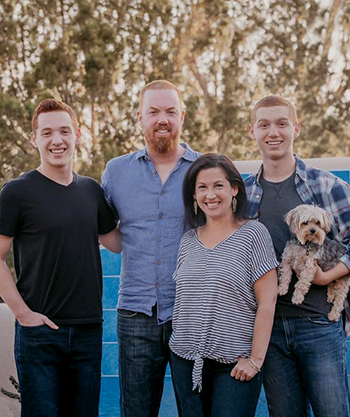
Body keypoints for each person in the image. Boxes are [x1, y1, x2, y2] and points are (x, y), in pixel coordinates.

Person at [0, 99, 120, 417]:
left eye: (64, 131)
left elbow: (118, 243)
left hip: (88, 332)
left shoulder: (91, 191)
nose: (57, 140)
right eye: (48, 132)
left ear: (77, 134)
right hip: (39, 335)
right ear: (34, 138)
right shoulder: (16, 193)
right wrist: (23, 314)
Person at [245, 95, 350, 417]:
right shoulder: (243, 194)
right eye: (264, 124)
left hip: (319, 324)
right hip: (269, 330)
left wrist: (327, 277)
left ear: (296, 128)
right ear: (252, 131)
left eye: (281, 123)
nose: (273, 132)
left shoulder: (328, 186)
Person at [101, 80, 200, 417]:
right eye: (154, 111)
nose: (162, 119)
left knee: (196, 409)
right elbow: (112, 238)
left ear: (182, 116)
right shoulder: (116, 172)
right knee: (137, 412)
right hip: (135, 314)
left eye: (170, 111)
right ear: (140, 117)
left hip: (192, 312)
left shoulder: (205, 170)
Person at [169, 153, 278, 417]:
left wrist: (255, 360)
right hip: (185, 359)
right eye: (202, 187)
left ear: (234, 189)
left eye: (218, 185)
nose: (211, 194)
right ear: (194, 196)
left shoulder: (254, 234)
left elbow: (268, 301)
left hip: (234, 364)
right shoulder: (187, 241)